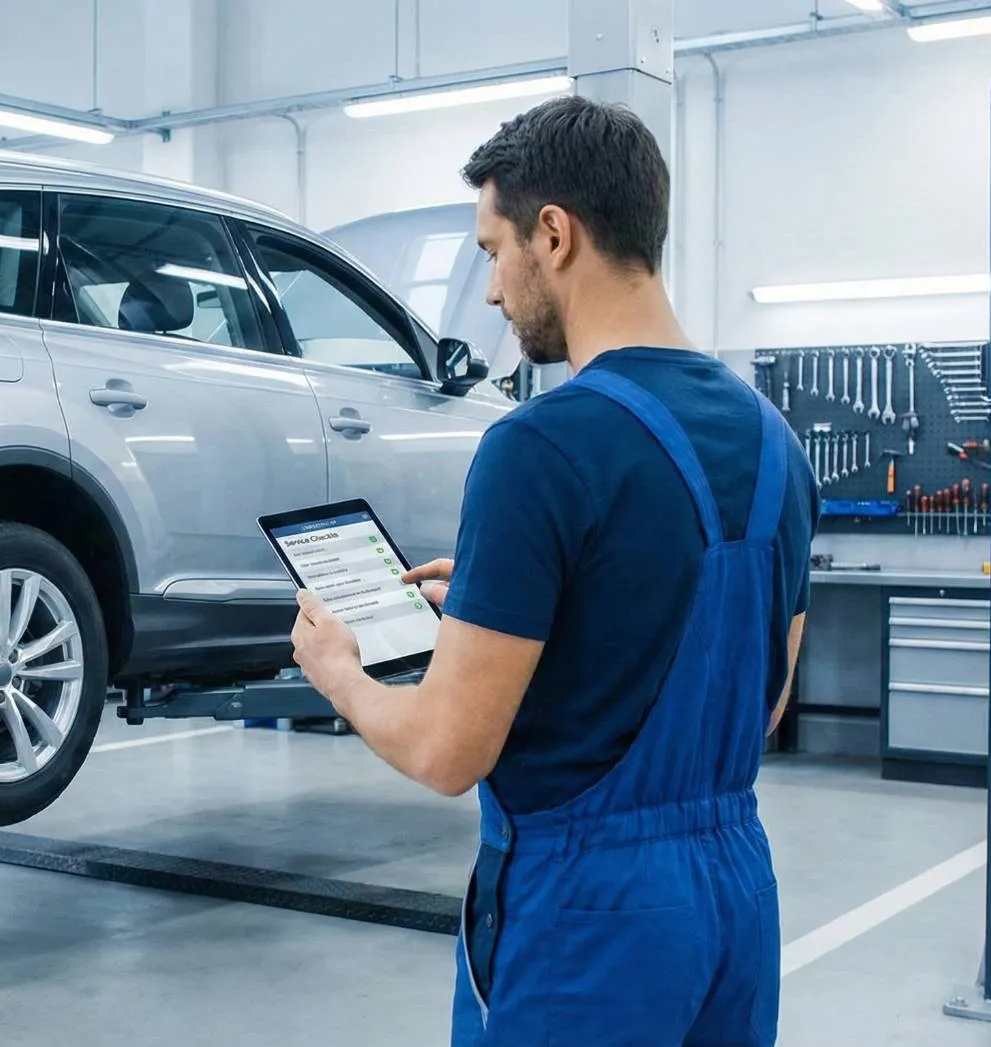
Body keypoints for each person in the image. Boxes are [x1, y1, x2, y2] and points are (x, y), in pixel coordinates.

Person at [288, 95, 819, 1047]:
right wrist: (525, 605)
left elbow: (448, 751)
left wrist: (341, 674)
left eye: (494, 251)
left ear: (555, 234)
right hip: (737, 894)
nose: (492, 291)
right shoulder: (777, 446)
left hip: (587, 913)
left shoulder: (538, 447)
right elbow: (762, 696)